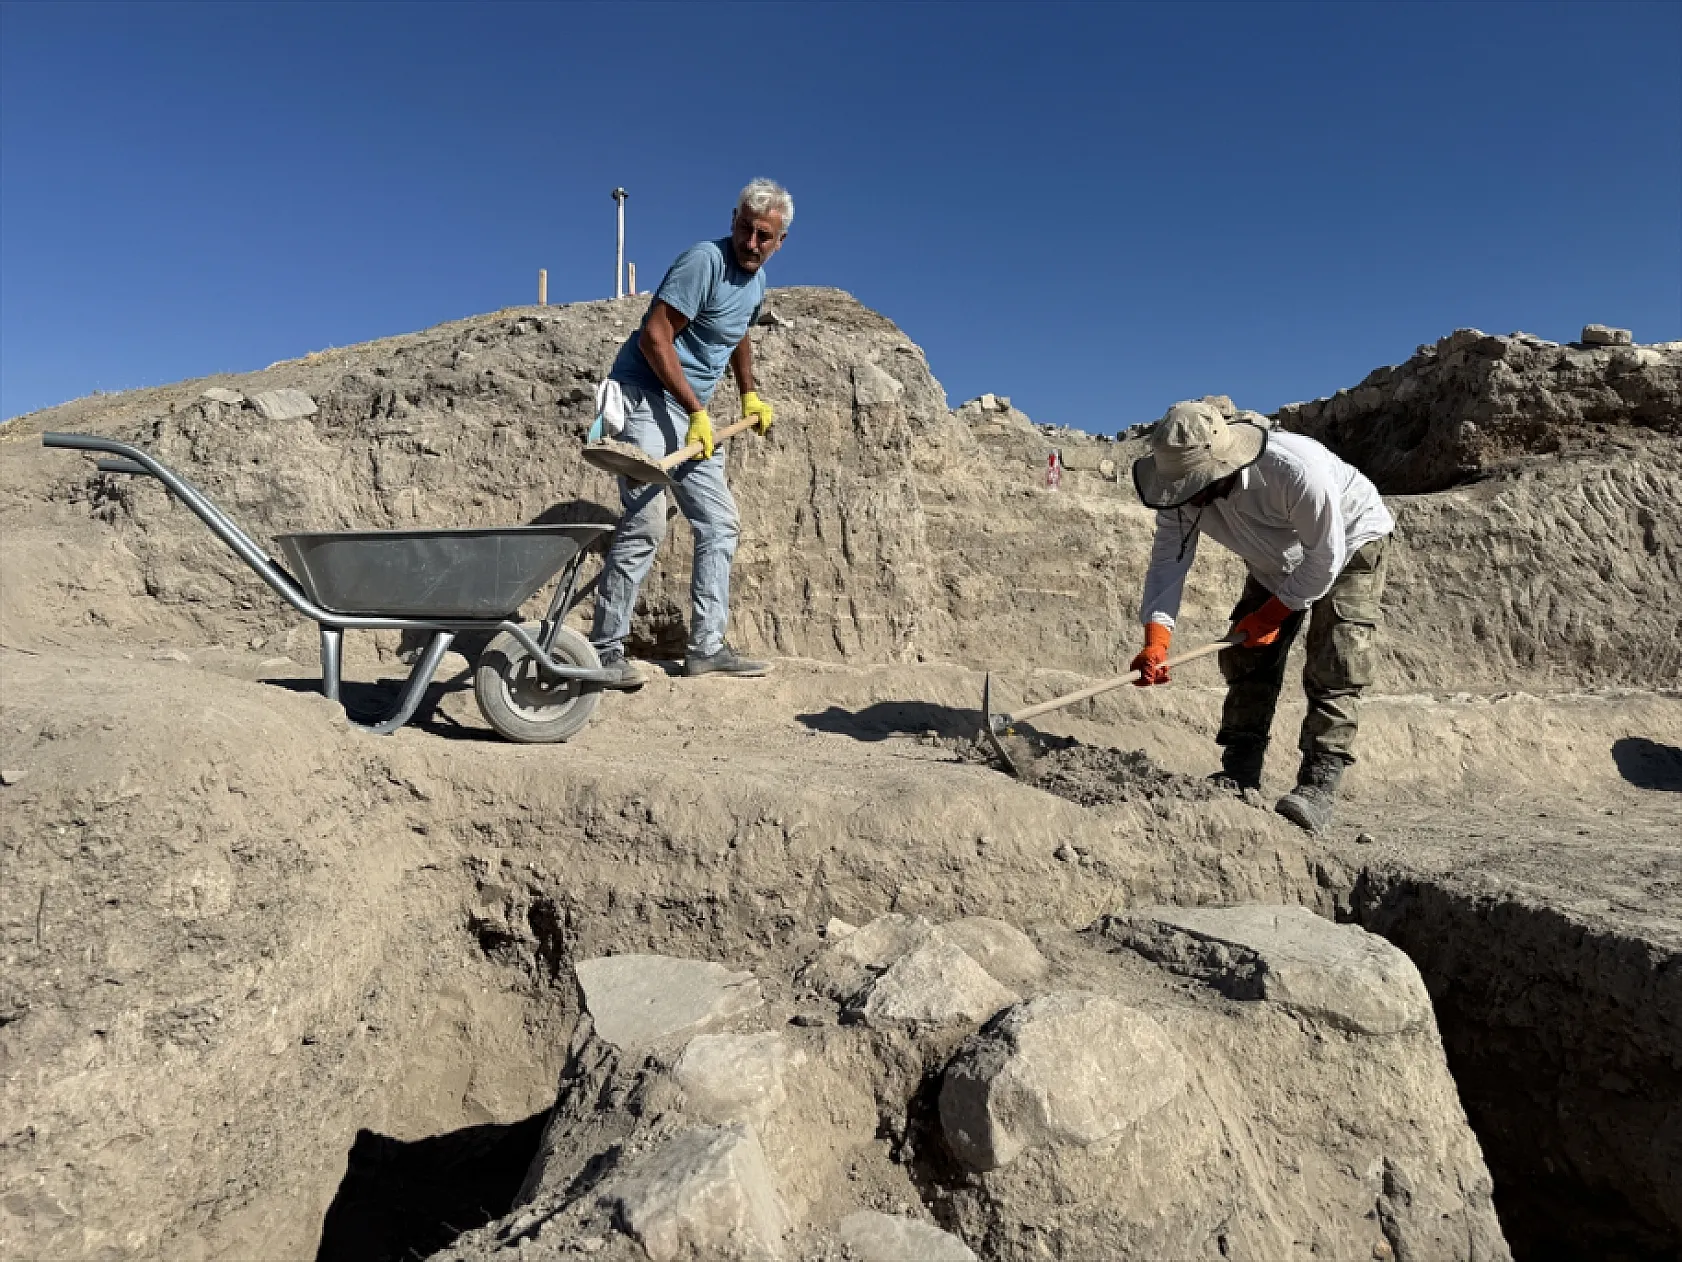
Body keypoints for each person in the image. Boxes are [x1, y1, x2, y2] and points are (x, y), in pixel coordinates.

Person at [1129, 400, 1395, 833]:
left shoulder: (1294, 472)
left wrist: (1274, 613)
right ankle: (1239, 771)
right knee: (1245, 655)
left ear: (1222, 464)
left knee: (1337, 659)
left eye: (1195, 484)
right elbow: (1167, 563)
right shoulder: (1179, 492)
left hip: (1349, 543)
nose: (1185, 497)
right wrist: (1156, 638)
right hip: (1275, 560)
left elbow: (1325, 558)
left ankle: (1318, 785)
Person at [589, 178, 792, 688]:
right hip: (646, 393)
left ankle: (706, 647)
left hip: (689, 411)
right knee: (647, 521)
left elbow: (739, 330)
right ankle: (603, 650)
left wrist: (749, 394)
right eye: (746, 230)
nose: (751, 244)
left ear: (780, 241)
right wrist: (697, 409)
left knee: (719, 523)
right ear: (733, 221)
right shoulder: (703, 261)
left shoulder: (756, 282)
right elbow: (654, 335)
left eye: (764, 236)